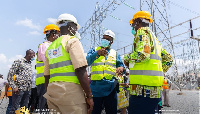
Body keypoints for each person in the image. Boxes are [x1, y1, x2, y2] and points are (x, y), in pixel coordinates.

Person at [124, 11, 173, 114]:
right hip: (155, 91)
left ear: (137, 22)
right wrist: (157, 72)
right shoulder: (155, 40)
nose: (132, 27)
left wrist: (127, 58)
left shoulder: (142, 32)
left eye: (132, 24)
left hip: (141, 90)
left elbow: (142, 54)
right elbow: (169, 60)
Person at [43, 13, 94, 114]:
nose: (76, 30)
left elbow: (47, 76)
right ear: (70, 27)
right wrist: (89, 96)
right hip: (70, 94)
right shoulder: (72, 41)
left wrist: (48, 93)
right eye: (75, 27)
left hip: (53, 93)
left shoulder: (50, 47)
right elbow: (80, 69)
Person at [86, 30, 124, 114]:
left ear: (112, 41)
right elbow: (87, 61)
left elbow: (121, 65)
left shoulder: (115, 53)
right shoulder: (94, 50)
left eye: (108, 39)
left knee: (111, 111)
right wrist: (97, 54)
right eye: (104, 38)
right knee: (95, 111)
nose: (105, 40)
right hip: (96, 89)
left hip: (110, 88)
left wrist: (121, 68)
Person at [36, 24, 60, 112]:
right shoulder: (44, 46)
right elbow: (48, 62)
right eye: (58, 34)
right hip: (44, 80)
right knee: (44, 106)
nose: (59, 36)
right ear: (53, 34)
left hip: (50, 80)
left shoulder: (54, 46)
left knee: (51, 106)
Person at [7, 49, 35, 114]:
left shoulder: (29, 64)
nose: (33, 57)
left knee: (24, 109)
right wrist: (14, 86)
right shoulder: (19, 61)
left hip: (27, 89)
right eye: (33, 56)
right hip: (19, 89)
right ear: (29, 54)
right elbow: (10, 75)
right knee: (15, 108)